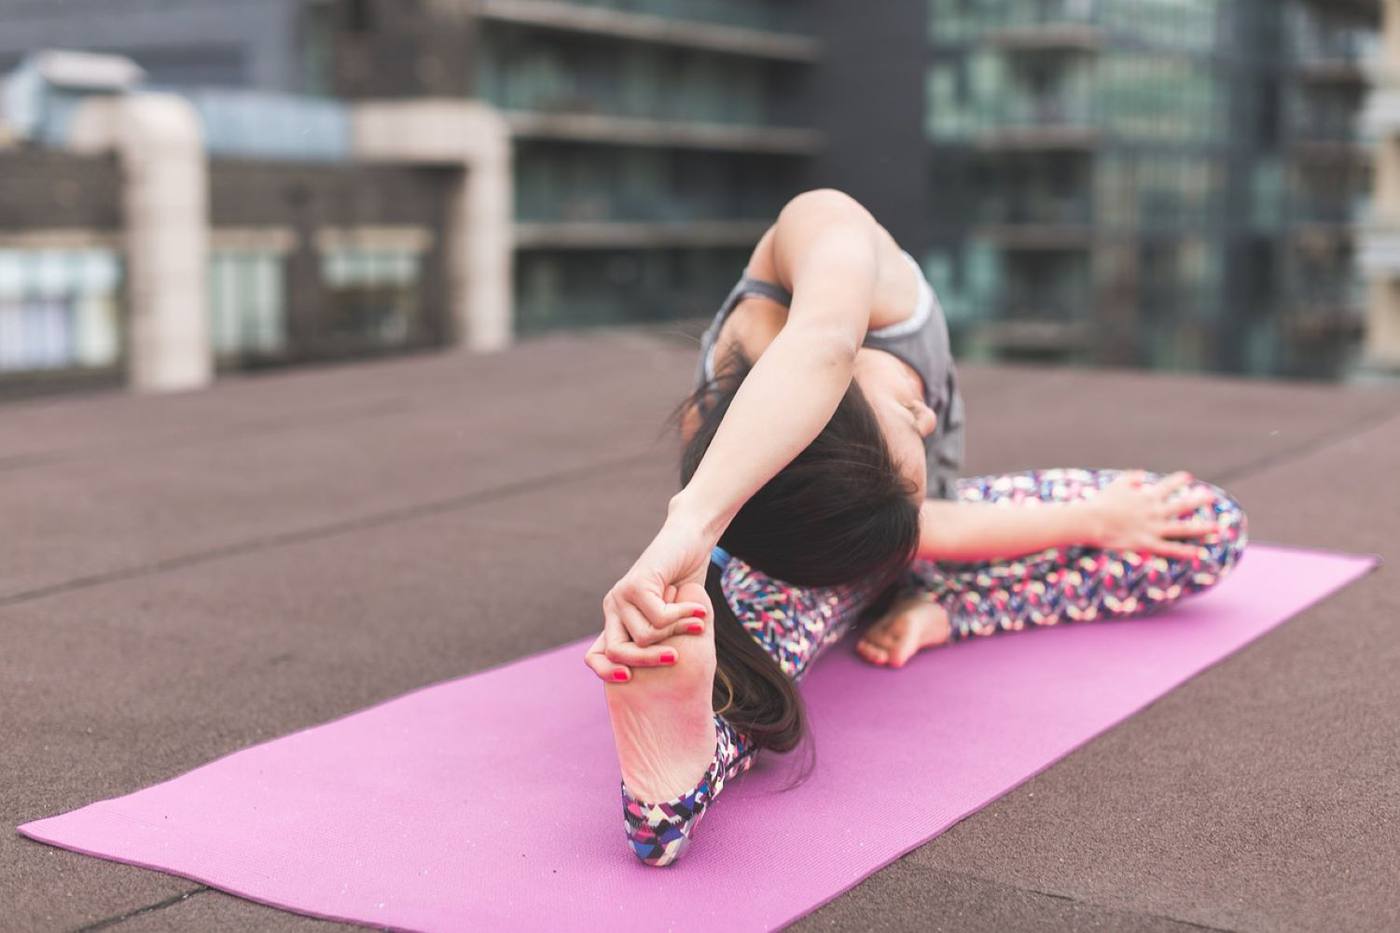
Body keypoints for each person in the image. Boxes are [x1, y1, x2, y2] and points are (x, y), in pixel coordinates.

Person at [581, 189, 1247, 867]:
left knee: (1201, 526)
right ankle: (681, 767)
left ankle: (927, 606)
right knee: (754, 673)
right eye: (910, 413)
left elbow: (822, 342)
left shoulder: (822, 231)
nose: (929, 420)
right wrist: (1092, 520)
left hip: (898, 543)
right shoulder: (769, 477)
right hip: (815, 568)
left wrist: (690, 523)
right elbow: (907, 513)